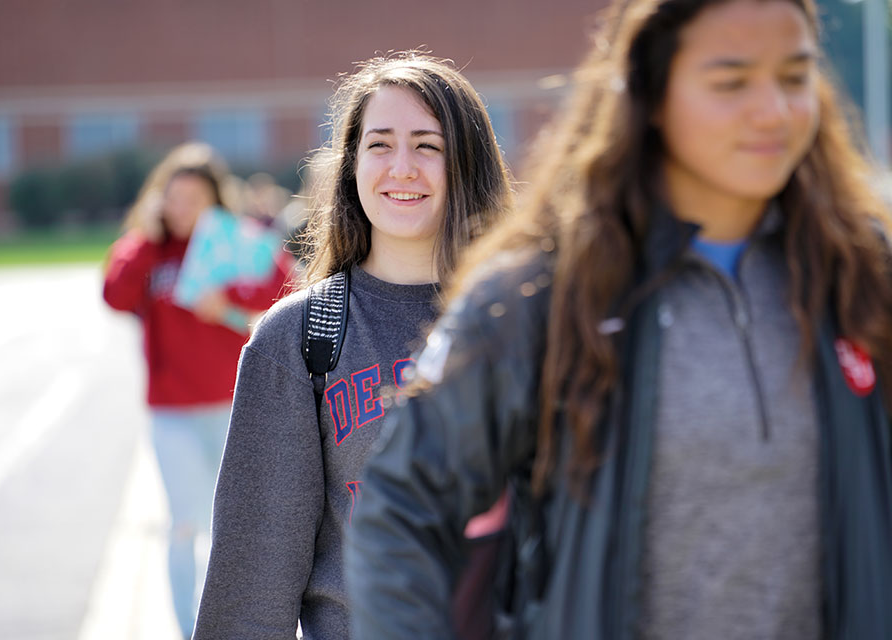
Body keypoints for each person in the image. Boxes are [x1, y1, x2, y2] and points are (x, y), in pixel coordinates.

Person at [346, 0, 892, 638]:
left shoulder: (859, 279)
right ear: (652, 95)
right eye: (731, 82)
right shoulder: (544, 294)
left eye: (795, 77)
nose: (773, 109)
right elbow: (400, 511)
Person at [191, 53, 513, 639]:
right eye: (380, 145)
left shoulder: (525, 320)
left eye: (427, 146)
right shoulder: (300, 337)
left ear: (467, 162)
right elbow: (252, 582)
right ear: (352, 166)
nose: (402, 168)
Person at [102, 141, 295, 640]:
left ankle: (240, 622)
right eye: (174, 196)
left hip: (239, 407)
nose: (182, 207)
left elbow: (285, 296)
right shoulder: (149, 249)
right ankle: (191, 630)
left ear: (215, 200)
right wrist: (146, 236)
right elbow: (114, 294)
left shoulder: (240, 242)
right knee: (183, 523)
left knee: (237, 524)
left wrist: (228, 302)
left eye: (194, 197)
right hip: (172, 412)